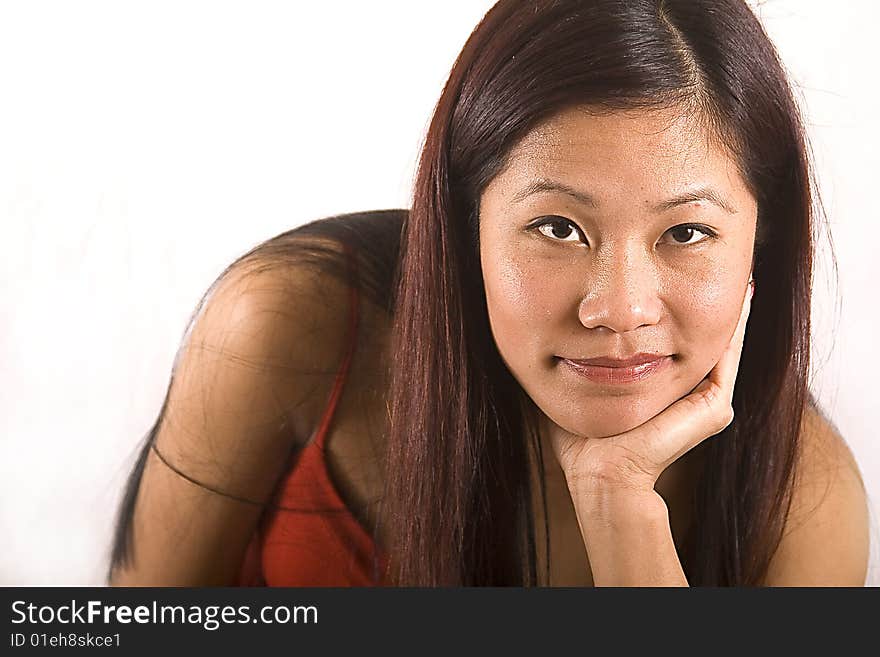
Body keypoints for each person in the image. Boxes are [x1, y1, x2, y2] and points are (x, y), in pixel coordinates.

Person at [107, 0, 869, 586]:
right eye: (559, 228)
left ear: (761, 240)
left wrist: (620, 506)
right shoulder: (290, 328)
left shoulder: (804, 503)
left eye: (686, 233)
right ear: (465, 219)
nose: (619, 309)